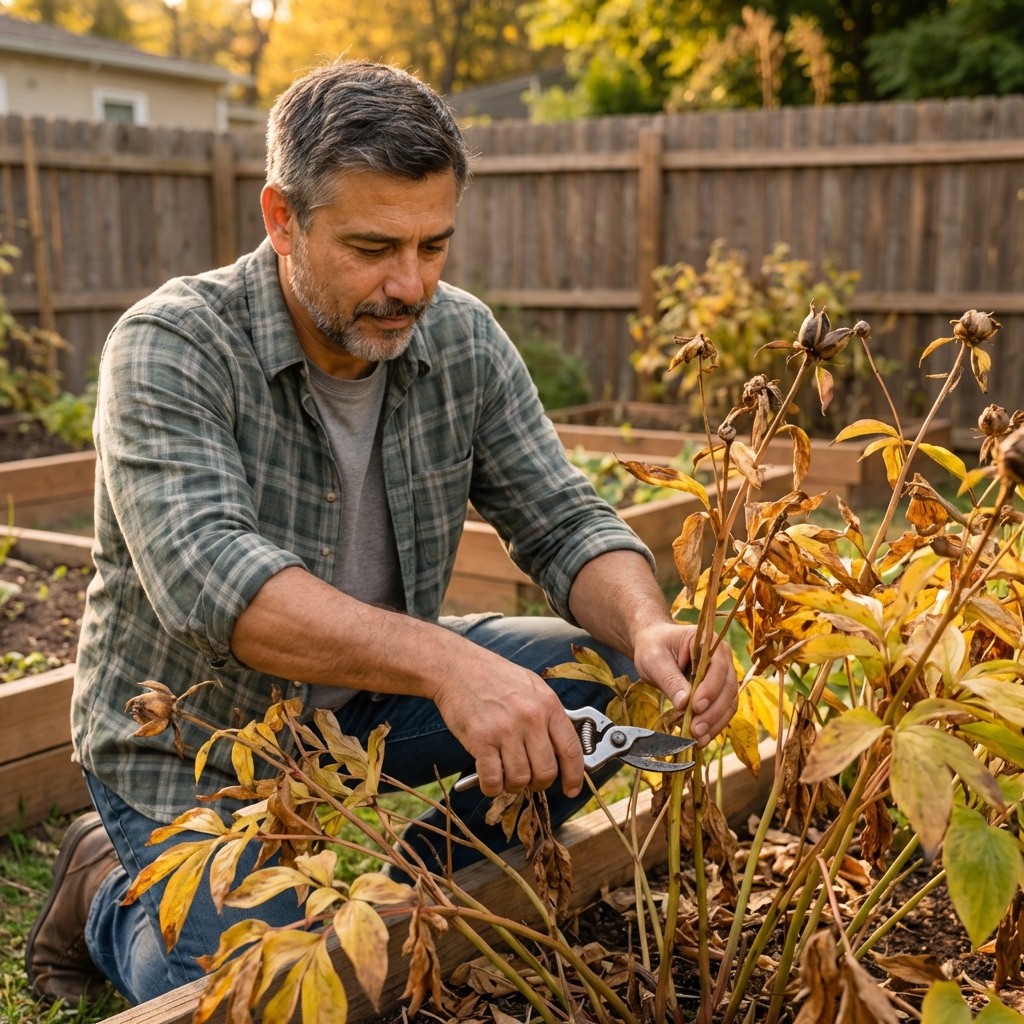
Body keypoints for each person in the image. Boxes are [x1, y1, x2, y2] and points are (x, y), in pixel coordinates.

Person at [25, 60, 738, 1007]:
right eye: (372, 248)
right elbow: (217, 584)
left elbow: (564, 517)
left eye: (433, 244)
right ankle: (107, 889)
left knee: (599, 683)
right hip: (190, 750)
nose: (410, 284)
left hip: (357, 711)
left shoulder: (464, 341)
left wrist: (646, 626)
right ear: (283, 219)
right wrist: (450, 665)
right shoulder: (172, 346)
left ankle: (394, 896)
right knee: (279, 993)